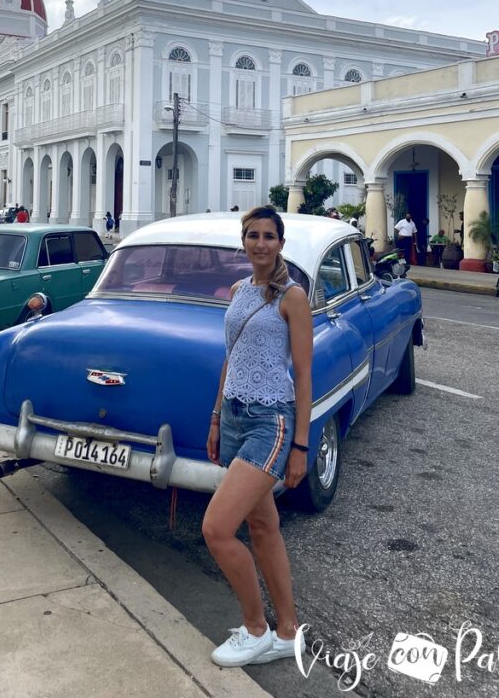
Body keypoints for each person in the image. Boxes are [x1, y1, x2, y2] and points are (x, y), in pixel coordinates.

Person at [203, 204, 313, 667]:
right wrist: (214, 418)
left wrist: (301, 447)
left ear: (281, 244)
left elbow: (304, 376)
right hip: (233, 416)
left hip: (272, 421)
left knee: (216, 529)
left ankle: (255, 628)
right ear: (243, 241)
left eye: (270, 236)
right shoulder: (238, 291)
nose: (261, 243)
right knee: (263, 526)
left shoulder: (292, 297)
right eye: (253, 235)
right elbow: (232, 356)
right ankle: (287, 631)